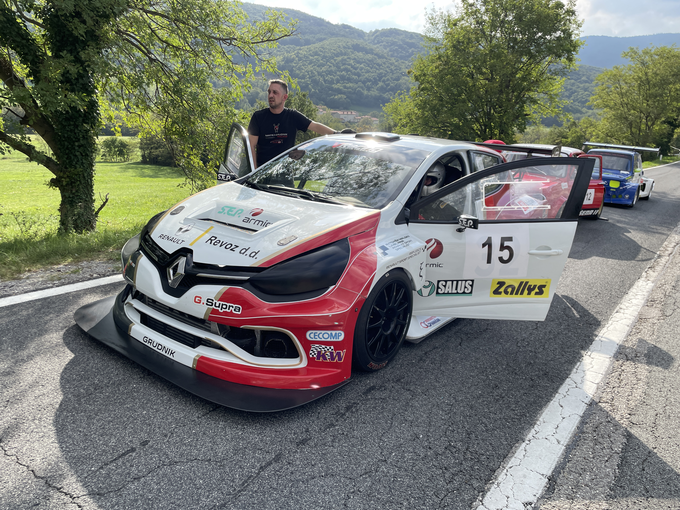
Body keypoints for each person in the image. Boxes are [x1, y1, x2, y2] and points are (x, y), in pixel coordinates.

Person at [248, 79, 336, 168]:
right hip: (261, 175)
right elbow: (251, 146)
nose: (270, 95)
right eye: (269, 92)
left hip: (286, 174)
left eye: (275, 92)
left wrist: (337, 133)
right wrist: (253, 172)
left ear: (284, 97)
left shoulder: (292, 116)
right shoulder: (258, 117)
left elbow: (315, 126)